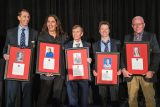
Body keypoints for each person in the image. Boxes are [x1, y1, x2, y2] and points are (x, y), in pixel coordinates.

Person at [121, 16, 160, 107]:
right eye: (135, 24)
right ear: (132, 26)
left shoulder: (151, 36)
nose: (137, 26)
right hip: (131, 74)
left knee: (149, 98)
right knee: (132, 99)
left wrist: (152, 70)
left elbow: (157, 54)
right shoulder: (127, 37)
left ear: (144, 25)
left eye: (139, 24)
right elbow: (123, 55)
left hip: (147, 73)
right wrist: (123, 69)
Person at [3, 9, 38, 107]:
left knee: (27, 98)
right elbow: (5, 48)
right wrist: (5, 55)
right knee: (11, 97)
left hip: (27, 70)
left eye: (28, 17)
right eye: (24, 16)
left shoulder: (34, 33)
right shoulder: (10, 32)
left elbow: (37, 53)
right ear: (19, 18)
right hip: (13, 70)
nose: (26, 19)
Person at [36, 14, 68, 107]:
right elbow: (39, 55)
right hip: (46, 72)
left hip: (59, 71)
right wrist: (43, 71)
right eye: (48, 22)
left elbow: (68, 53)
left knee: (57, 98)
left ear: (57, 24)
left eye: (53, 21)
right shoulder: (41, 36)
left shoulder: (64, 36)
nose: (50, 24)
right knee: (43, 97)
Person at [92, 21, 121, 107]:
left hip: (114, 75)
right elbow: (94, 60)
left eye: (106, 29)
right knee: (102, 99)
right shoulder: (94, 45)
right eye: (102, 29)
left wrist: (120, 69)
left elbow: (121, 57)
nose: (104, 31)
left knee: (114, 99)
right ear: (99, 31)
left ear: (109, 30)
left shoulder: (117, 42)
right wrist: (93, 69)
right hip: (101, 75)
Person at [64, 25, 92, 107]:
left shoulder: (88, 46)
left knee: (84, 103)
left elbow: (94, 61)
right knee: (73, 103)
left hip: (84, 77)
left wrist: (90, 60)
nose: (75, 34)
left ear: (82, 33)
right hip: (71, 77)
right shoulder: (66, 46)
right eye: (73, 32)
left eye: (77, 31)